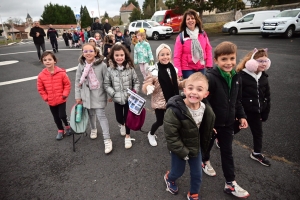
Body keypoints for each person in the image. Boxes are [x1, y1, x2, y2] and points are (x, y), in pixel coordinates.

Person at [202, 41, 250, 198]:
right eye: (224, 59)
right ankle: (205, 160)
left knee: (227, 152)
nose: (229, 63)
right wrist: (209, 122)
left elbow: (237, 100)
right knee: (207, 144)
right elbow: (204, 101)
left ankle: (230, 183)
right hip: (213, 123)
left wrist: (242, 115)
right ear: (216, 60)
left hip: (228, 123)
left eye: (232, 58)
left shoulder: (237, 77)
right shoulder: (210, 78)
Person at [163, 72, 215, 200]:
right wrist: (182, 151)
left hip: (195, 146)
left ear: (205, 94)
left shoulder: (205, 108)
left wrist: (210, 129)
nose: (194, 92)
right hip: (179, 148)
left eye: (199, 89)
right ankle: (169, 178)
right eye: (190, 88)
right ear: (184, 90)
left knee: (197, 173)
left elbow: (203, 123)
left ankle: (193, 193)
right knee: (178, 171)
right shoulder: (174, 110)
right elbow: (171, 136)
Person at [142, 44, 184, 146]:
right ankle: (151, 134)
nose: (165, 57)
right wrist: (147, 87)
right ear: (158, 57)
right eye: (162, 54)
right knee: (160, 121)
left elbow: (177, 84)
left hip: (173, 101)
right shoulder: (154, 71)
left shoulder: (173, 69)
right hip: (159, 102)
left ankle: (173, 142)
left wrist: (186, 84)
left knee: (172, 123)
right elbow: (147, 83)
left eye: (167, 54)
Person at [74, 43, 113, 154]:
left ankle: (107, 139)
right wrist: (77, 96)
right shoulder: (81, 65)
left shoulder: (102, 65)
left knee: (101, 116)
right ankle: (93, 129)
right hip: (86, 95)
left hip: (98, 94)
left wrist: (110, 94)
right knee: (91, 114)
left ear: (96, 52)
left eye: (91, 51)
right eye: (85, 51)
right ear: (82, 53)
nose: (88, 53)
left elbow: (107, 81)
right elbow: (78, 81)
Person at [236, 48, 271, 167]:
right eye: (260, 61)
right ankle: (219, 139)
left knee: (258, 133)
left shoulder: (264, 77)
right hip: (243, 112)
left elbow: (267, 96)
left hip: (256, 112)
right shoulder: (241, 76)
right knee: (234, 129)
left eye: (266, 60)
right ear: (251, 62)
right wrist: (239, 114)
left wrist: (265, 112)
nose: (264, 63)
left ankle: (256, 153)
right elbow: (237, 97)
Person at [104, 44, 140, 149]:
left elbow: (136, 82)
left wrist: (134, 91)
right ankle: (122, 124)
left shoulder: (130, 68)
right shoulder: (110, 69)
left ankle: (128, 137)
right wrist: (113, 94)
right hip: (117, 99)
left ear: (125, 55)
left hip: (129, 98)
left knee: (128, 118)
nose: (119, 57)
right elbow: (106, 84)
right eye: (117, 55)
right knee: (119, 118)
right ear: (112, 56)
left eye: (121, 55)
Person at [37, 51, 71, 140]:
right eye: (45, 60)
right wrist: (46, 97)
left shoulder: (61, 73)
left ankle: (67, 126)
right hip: (51, 100)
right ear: (42, 62)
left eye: (49, 59)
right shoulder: (41, 75)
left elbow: (67, 84)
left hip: (61, 99)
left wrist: (65, 94)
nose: (47, 61)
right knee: (56, 117)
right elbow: (41, 88)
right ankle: (60, 130)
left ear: (54, 61)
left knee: (62, 115)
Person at [173, 9, 213, 79]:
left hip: (201, 67)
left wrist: (209, 64)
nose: (190, 20)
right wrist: (178, 72)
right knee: (191, 88)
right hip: (187, 69)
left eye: (192, 18)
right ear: (185, 22)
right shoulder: (181, 37)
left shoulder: (202, 34)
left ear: (196, 20)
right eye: (188, 19)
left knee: (200, 87)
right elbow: (177, 56)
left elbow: (208, 49)